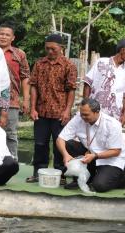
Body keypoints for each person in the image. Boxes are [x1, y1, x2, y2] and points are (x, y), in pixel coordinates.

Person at [26, 34, 77, 183]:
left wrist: (67, 110)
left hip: (60, 113)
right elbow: (33, 86)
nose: (50, 51)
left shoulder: (69, 66)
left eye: (53, 49)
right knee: (40, 144)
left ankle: (61, 174)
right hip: (41, 112)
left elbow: (71, 90)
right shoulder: (39, 64)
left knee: (59, 145)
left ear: (61, 48)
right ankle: (38, 172)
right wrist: (33, 108)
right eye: (47, 48)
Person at [56, 98, 125, 192]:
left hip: (110, 160)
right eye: (81, 114)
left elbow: (116, 151)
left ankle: (121, 179)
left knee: (99, 186)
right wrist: (65, 155)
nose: (82, 117)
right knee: (69, 144)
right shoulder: (79, 118)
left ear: (96, 112)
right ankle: (81, 179)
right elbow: (60, 139)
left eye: (86, 115)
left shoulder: (112, 124)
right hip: (90, 155)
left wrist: (95, 156)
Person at [0, 23, 31, 160]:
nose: (3, 37)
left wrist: (26, 99)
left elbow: (25, 76)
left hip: (12, 99)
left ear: (13, 38)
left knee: (10, 133)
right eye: (1, 34)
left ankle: (12, 161)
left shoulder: (19, 54)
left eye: (7, 34)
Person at [83, 38, 125, 126]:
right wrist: (85, 104)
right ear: (123, 50)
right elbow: (87, 83)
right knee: (90, 137)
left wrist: (124, 115)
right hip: (93, 112)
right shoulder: (101, 62)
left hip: (114, 117)